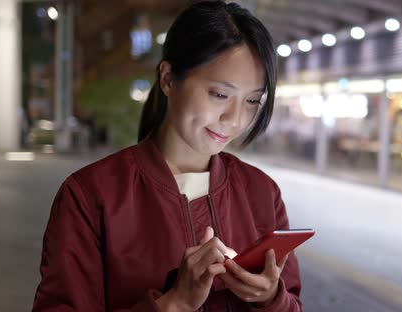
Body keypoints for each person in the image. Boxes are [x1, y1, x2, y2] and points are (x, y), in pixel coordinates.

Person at [32, 1, 303, 311]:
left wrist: (271, 299)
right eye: (219, 94)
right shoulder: (90, 196)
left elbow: (294, 303)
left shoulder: (262, 193)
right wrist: (172, 305)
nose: (235, 119)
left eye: (253, 100)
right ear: (168, 79)